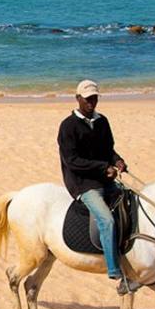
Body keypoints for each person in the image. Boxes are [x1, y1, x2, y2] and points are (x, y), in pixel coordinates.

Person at [58, 79, 129, 292]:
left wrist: (117, 161)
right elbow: (72, 161)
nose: (92, 102)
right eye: (88, 99)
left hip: (104, 178)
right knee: (106, 220)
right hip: (82, 184)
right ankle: (114, 268)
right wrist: (102, 167)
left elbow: (109, 150)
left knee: (132, 203)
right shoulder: (68, 126)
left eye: (95, 98)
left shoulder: (102, 121)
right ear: (78, 99)